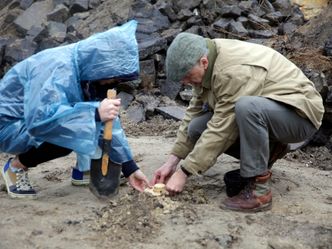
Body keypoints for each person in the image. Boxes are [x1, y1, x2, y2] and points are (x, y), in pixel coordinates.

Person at [152, 32, 324, 212]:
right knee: (196, 128)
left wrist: (184, 172)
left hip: (300, 115)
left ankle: (260, 191)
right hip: (270, 112)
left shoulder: (232, 72)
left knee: (246, 107)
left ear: (203, 62)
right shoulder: (206, 60)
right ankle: (272, 150)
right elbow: (193, 112)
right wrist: (172, 161)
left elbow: (223, 128)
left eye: (187, 76)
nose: (186, 83)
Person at [0, 20, 150, 199]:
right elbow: (39, 120)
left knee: (88, 118)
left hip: (31, 120)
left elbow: (110, 126)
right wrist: (94, 113)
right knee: (71, 133)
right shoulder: (56, 66)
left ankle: (83, 170)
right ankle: (16, 166)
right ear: (103, 63)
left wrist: (130, 168)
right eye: (114, 77)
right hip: (10, 125)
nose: (113, 83)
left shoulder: (91, 75)